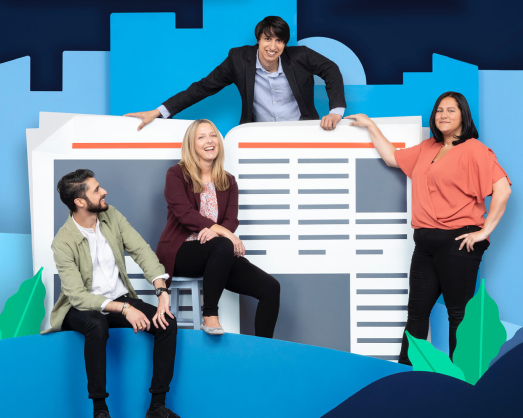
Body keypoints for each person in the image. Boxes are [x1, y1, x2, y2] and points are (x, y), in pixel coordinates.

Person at [346, 92, 512, 365]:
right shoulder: (427, 148)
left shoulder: (474, 149)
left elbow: (502, 189)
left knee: (458, 314)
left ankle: (462, 381)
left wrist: (483, 232)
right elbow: (392, 158)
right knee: (417, 313)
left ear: (463, 117)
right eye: (439, 111)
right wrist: (370, 125)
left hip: (457, 241)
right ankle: (406, 376)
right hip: (425, 242)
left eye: (451, 110)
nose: (443, 115)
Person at [45, 169, 180, 418]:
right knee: (96, 324)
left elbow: (141, 250)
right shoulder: (62, 242)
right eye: (96, 189)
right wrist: (126, 309)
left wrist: (161, 290)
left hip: (118, 299)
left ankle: (157, 407)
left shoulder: (111, 215)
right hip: (80, 308)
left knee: (167, 323)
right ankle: (100, 410)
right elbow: (77, 295)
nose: (104, 191)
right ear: (80, 202)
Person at [156, 119, 280, 337]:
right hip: (182, 251)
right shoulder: (176, 174)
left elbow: (231, 218)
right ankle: (210, 314)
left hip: (217, 255)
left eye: (213, 135)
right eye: (201, 137)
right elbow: (185, 214)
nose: (209, 141)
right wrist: (225, 234)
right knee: (222, 244)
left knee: (271, 288)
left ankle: (264, 350)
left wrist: (219, 232)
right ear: (191, 144)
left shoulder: (228, 180)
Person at [125, 16, 346, 131]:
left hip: (301, 131)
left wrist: (335, 111)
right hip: (257, 136)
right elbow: (202, 88)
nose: (273, 46)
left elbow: (331, 70)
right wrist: (159, 111)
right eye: (267, 39)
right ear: (258, 40)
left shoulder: (301, 56)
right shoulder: (239, 60)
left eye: (279, 40)